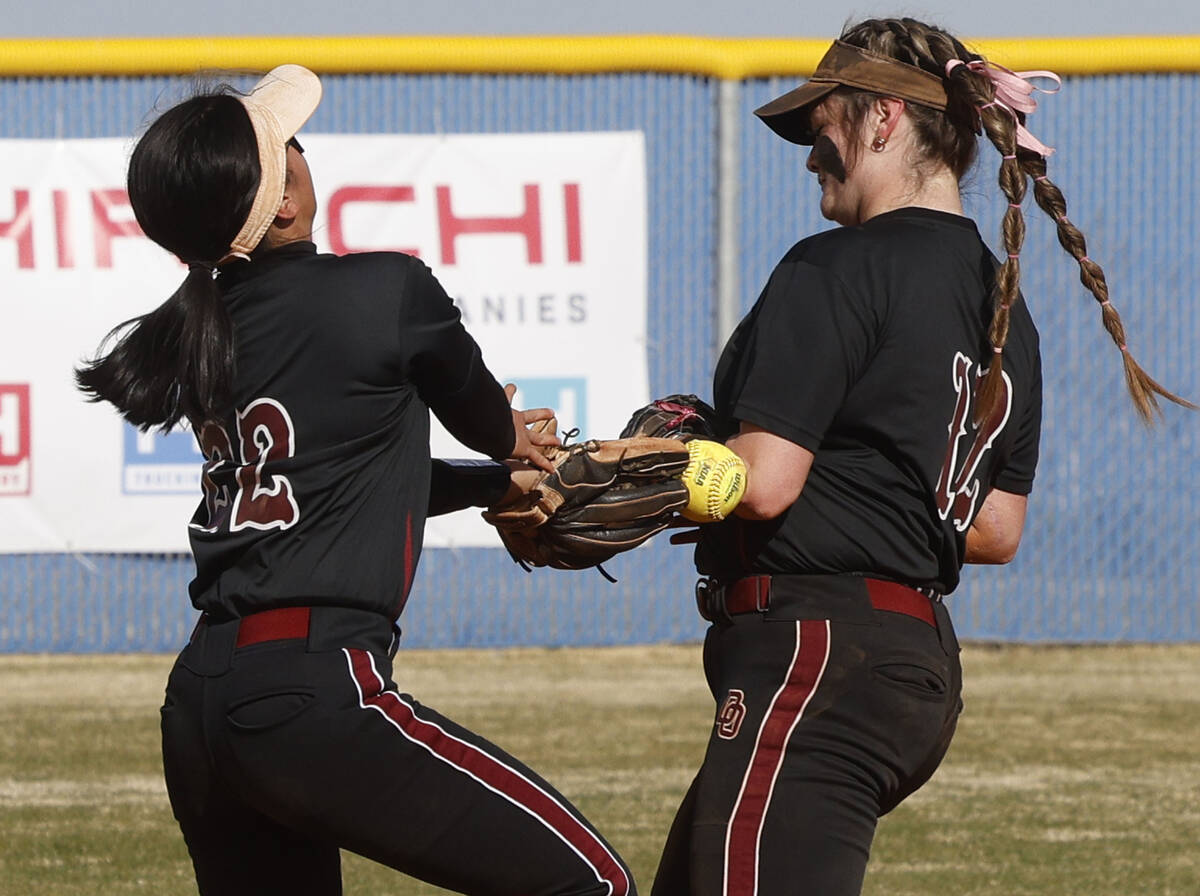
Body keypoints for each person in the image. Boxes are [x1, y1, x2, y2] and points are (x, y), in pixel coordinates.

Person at [650, 17, 1193, 896]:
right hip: (912, 665)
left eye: (821, 125)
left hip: (813, 655)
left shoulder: (836, 268)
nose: (808, 154)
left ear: (883, 118)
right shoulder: (1005, 309)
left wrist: (639, 471)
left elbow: (761, 484)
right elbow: (993, 527)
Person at [76, 65, 635, 896]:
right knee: (594, 882)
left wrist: (491, 485)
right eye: (289, 145)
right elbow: (484, 416)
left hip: (201, 702)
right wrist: (519, 450)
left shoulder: (201, 338)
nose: (304, 150)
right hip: (314, 690)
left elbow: (360, 477)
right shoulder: (386, 289)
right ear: (287, 203)